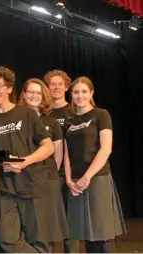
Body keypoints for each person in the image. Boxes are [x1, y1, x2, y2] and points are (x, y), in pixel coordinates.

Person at [0, 67, 55, 253]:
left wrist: (25, 161)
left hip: (33, 186)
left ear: (9, 88)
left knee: (39, 242)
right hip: (4, 190)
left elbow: (48, 147)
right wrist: (1, 163)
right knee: (6, 239)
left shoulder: (27, 114)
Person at [64, 77, 126, 253]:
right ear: (72, 95)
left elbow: (105, 149)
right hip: (76, 182)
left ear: (91, 93)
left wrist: (87, 176)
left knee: (102, 233)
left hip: (97, 179)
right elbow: (67, 154)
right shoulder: (69, 121)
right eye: (76, 92)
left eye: (84, 91)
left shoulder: (101, 114)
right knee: (87, 233)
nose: (80, 95)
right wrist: (69, 179)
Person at [18, 78, 69, 250]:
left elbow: (57, 156)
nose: (34, 95)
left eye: (38, 92)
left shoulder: (51, 123)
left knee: (46, 231)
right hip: (24, 180)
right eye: (30, 92)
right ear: (24, 94)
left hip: (47, 181)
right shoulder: (17, 121)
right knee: (29, 229)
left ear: (44, 96)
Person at [44, 69, 78, 252]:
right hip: (49, 174)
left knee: (70, 221)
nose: (56, 87)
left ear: (66, 87)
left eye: (60, 84)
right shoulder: (43, 114)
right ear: (47, 88)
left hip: (71, 173)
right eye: (52, 84)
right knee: (49, 220)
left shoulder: (74, 112)